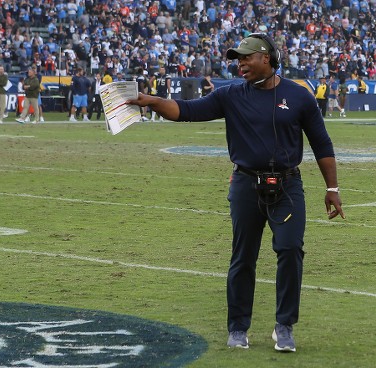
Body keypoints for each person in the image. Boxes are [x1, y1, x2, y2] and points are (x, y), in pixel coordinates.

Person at [127, 33, 344, 353]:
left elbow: (321, 144)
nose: (240, 63)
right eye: (237, 59)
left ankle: (284, 326)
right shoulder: (230, 95)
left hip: (287, 185)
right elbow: (186, 110)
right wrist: (155, 103)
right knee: (243, 258)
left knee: (290, 250)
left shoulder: (299, 97)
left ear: (267, 58)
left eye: (246, 57)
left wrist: (332, 188)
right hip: (246, 185)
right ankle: (238, 327)